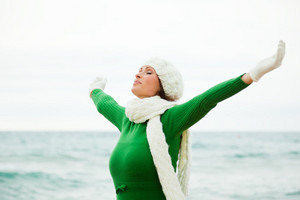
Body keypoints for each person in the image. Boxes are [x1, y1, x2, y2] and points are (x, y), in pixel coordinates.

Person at [89, 41, 286, 200]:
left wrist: (253, 74)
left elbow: (207, 99)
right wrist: (95, 89)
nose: (138, 74)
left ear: (163, 86)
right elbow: (104, 103)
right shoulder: (127, 119)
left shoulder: (169, 119)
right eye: (139, 70)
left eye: (148, 72)